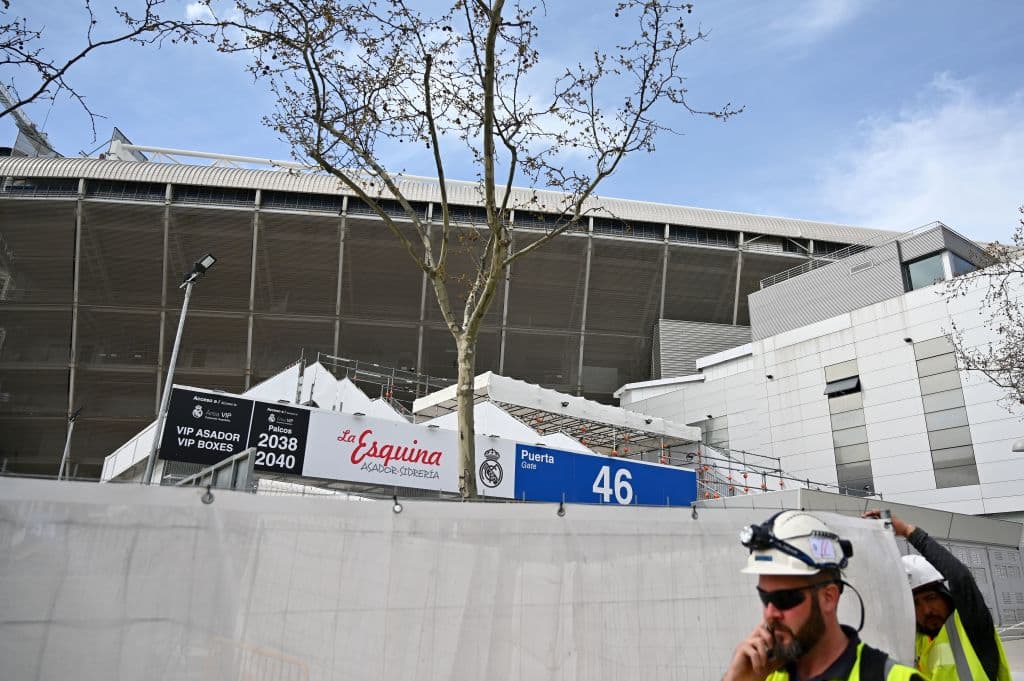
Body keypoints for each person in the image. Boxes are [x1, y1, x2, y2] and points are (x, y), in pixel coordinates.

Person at [722, 510, 923, 681]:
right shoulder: (763, 675)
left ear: (829, 597)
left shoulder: (892, 678)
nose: (770, 613)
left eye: (784, 599)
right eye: (765, 598)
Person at [865, 510, 1012, 681]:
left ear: (945, 595)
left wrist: (907, 530)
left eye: (931, 598)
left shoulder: (970, 626)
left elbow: (960, 578)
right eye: (915, 604)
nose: (926, 610)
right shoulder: (917, 643)